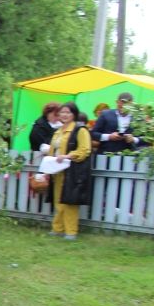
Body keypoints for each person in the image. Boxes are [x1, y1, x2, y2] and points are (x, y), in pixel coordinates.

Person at [48, 102, 93, 240]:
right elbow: (52, 150)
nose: (65, 115)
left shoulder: (80, 130)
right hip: (58, 171)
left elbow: (85, 150)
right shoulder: (58, 131)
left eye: (68, 112)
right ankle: (58, 228)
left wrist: (68, 156)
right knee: (58, 200)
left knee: (70, 201)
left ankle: (71, 231)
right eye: (62, 112)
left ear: (74, 114)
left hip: (73, 171)